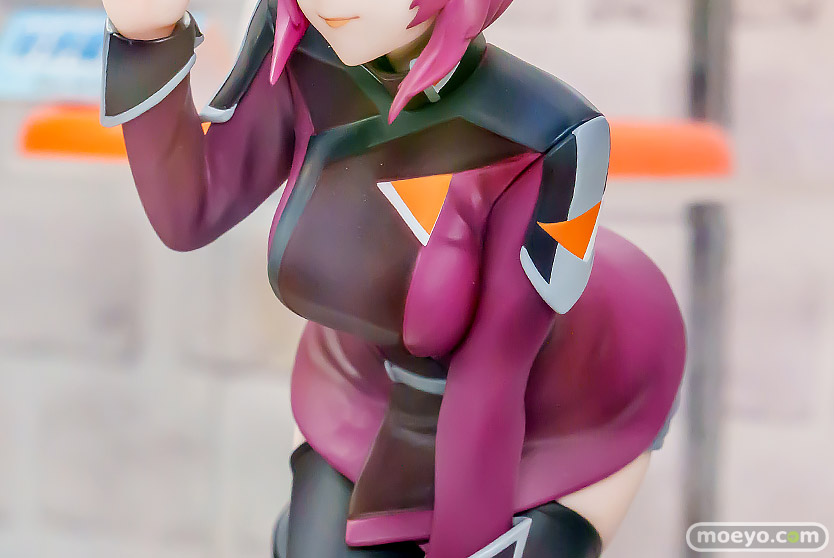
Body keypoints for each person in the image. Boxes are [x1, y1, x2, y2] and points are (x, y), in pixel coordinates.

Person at [99, 0, 686, 556]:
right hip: (364, 395)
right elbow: (192, 210)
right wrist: (146, 36)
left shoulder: (548, 133)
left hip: (561, 414)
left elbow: (490, 385)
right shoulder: (299, 46)